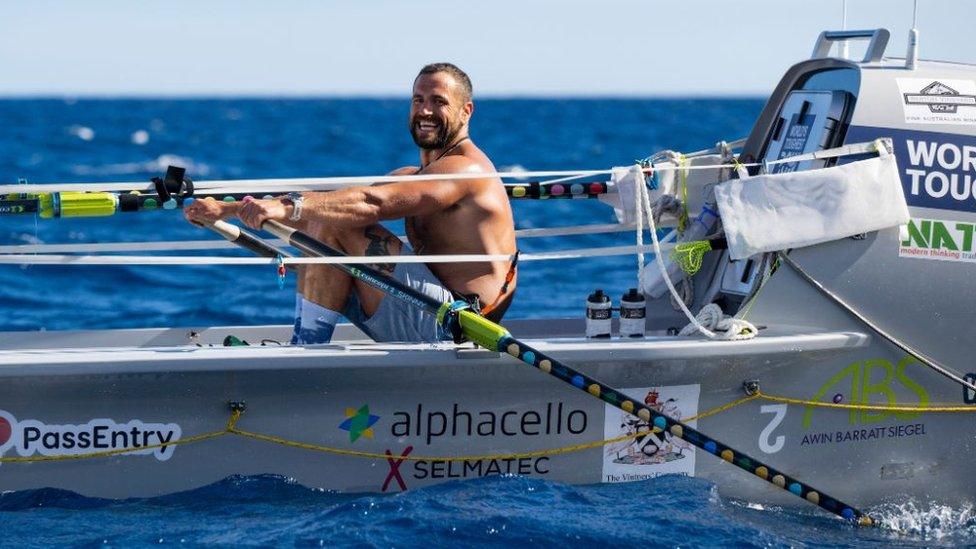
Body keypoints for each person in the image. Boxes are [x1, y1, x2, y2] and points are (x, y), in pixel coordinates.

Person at [184, 62, 517, 344]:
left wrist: (285, 207)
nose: (425, 111)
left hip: (462, 327)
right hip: (422, 309)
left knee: (335, 221)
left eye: (438, 102)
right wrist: (224, 210)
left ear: (466, 110)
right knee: (328, 219)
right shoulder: (413, 174)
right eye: (418, 100)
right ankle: (303, 348)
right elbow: (326, 210)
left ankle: (302, 355)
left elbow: (370, 203)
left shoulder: (466, 169)